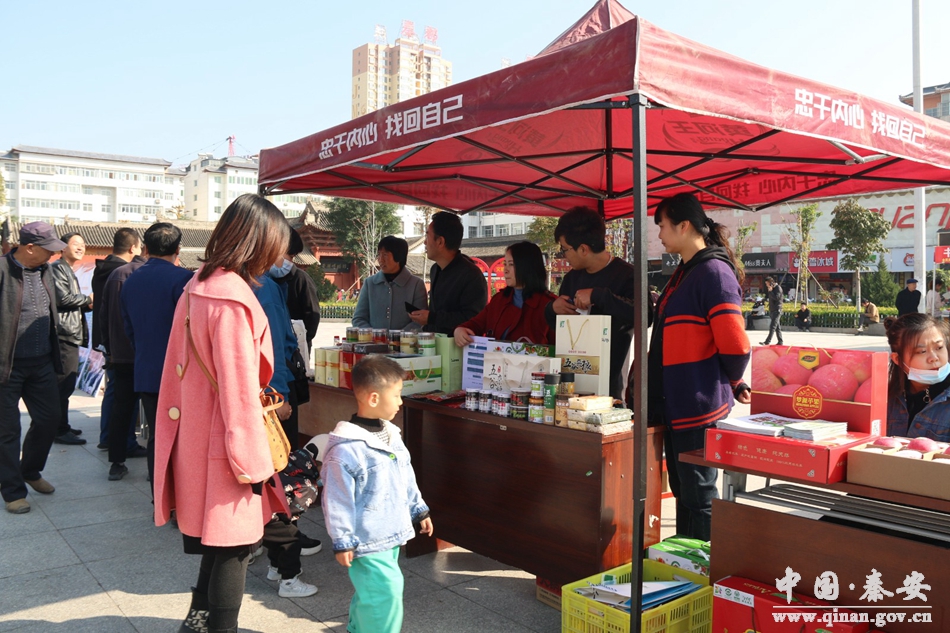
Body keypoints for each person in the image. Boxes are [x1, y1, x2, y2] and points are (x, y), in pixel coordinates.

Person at [154, 194, 292, 633]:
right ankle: (220, 628)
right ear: (257, 243)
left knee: (218, 541)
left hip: (198, 437)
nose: (277, 257)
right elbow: (237, 392)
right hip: (229, 445)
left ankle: (196, 622)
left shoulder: (198, 285)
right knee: (235, 546)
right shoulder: (232, 299)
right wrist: (253, 463)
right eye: (275, 246)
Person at [648, 193, 751, 540]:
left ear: (684, 226)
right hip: (676, 403)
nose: (659, 234)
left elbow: (735, 344)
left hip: (697, 405)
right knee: (684, 492)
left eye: (662, 226)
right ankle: (687, 562)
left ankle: (706, 563)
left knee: (699, 496)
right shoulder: (685, 271)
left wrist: (734, 380)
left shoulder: (713, 273)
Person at [322, 355, 434, 633]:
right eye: (396, 395)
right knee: (386, 593)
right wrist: (343, 539)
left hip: (390, 531)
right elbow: (337, 500)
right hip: (367, 537)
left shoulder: (391, 434)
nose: (400, 402)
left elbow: (405, 474)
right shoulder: (346, 450)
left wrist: (418, 508)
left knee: (372, 594)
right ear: (374, 398)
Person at [120, 223, 193, 491]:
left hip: (147, 371)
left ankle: (160, 499)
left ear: (146, 248)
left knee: (157, 436)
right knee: (184, 438)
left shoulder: (130, 281)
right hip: (181, 373)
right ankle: (183, 499)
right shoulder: (184, 280)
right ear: (178, 249)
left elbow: (129, 329)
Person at [0, 222, 67, 514]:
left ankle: (30, 470)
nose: (53, 254)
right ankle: (12, 491)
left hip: (41, 362)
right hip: (7, 366)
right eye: (48, 249)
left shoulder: (45, 270)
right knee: (7, 430)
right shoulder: (3, 270)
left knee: (50, 419)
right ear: (29, 248)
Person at [544, 206, 638, 401]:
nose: (564, 255)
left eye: (565, 249)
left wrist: (598, 296)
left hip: (609, 389)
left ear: (583, 249)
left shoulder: (627, 275)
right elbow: (559, 328)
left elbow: (645, 316)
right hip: (570, 385)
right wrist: (553, 309)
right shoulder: (571, 279)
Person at [92, 228, 143, 452]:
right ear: (133, 248)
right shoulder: (122, 273)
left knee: (114, 391)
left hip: (109, 339)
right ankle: (123, 441)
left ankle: (108, 437)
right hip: (122, 343)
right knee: (124, 395)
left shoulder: (103, 269)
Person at [100, 244, 147, 481]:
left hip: (121, 354)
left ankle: (116, 463)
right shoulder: (156, 275)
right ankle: (156, 468)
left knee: (121, 408)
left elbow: (104, 313)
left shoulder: (117, 274)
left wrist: (109, 348)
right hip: (150, 356)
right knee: (156, 411)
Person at [454, 241, 556, 346]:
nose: (505, 270)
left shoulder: (550, 305)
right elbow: (475, 324)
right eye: (505, 264)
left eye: (511, 264)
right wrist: (460, 330)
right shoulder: (499, 300)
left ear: (527, 267)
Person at [408, 212, 487, 335]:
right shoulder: (435, 269)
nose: (425, 242)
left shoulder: (471, 275)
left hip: (458, 345)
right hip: (434, 342)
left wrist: (432, 318)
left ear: (440, 241)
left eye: (427, 236)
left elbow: (473, 318)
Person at [50, 233, 93, 445]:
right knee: (64, 384)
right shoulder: (57, 268)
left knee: (67, 384)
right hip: (64, 334)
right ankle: (58, 430)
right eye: (75, 244)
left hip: (70, 333)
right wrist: (87, 299)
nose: (80, 248)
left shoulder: (68, 269)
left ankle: (63, 425)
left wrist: (86, 304)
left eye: (83, 245)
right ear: (62, 247)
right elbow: (63, 299)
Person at [885, 313, 950, 441]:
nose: (934, 358)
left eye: (939, 347)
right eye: (922, 351)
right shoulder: (887, 398)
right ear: (897, 359)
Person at [353, 235, 427, 331]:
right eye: (379, 254)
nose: (380, 259)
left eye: (385, 255)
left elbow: (419, 321)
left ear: (398, 257)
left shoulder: (416, 285)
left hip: (405, 340)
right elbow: (359, 319)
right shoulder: (369, 283)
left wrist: (399, 336)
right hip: (373, 340)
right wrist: (374, 335)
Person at [277, 231, 321, 352]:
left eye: (292, 257)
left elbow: (312, 314)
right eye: (290, 256)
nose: (291, 261)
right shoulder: (265, 279)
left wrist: (301, 340)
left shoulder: (302, 279)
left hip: (297, 346)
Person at [760, 276, 784, 346]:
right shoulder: (772, 289)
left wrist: (770, 291)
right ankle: (780, 341)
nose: (766, 285)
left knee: (772, 327)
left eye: (767, 283)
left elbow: (777, 298)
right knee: (777, 327)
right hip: (772, 309)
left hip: (777, 310)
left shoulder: (778, 288)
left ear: (770, 283)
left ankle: (767, 342)